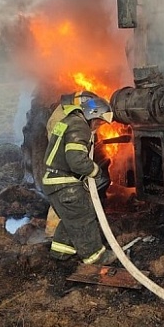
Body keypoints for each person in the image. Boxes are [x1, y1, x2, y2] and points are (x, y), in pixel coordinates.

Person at [42, 91, 116, 265]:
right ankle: (95, 256)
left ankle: (61, 251)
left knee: (70, 218)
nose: (98, 126)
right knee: (83, 216)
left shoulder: (68, 121)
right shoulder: (79, 126)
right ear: (93, 114)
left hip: (53, 182)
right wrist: (96, 172)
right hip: (65, 184)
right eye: (99, 121)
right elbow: (77, 162)